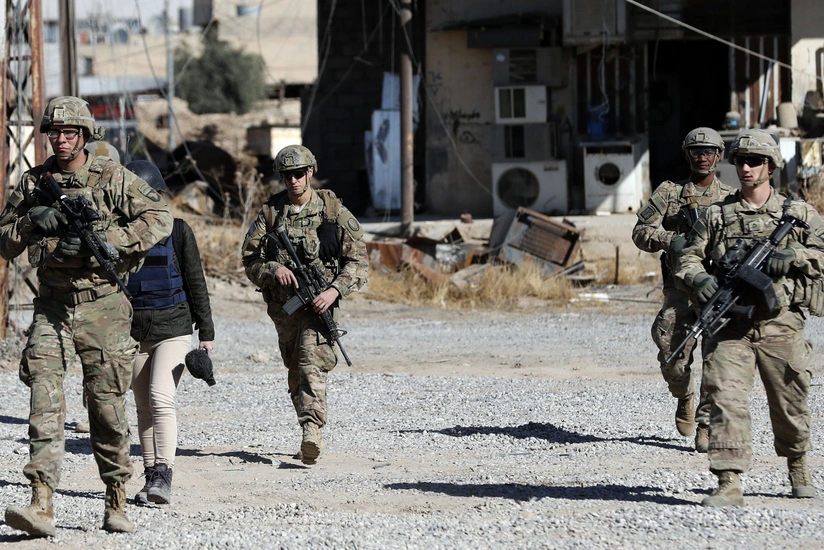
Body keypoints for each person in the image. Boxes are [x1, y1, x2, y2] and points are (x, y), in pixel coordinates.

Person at [0, 96, 173, 536]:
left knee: (106, 407)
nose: (60, 139)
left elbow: (160, 217)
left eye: (70, 133)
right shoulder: (34, 182)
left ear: (85, 136)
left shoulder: (112, 176)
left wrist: (111, 240)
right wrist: (32, 223)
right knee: (44, 399)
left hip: (103, 306)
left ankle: (116, 499)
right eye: (54, 133)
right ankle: (40, 502)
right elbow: (4, 239)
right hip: (53, 306)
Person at [676, 128, 824, 506]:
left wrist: (797, 257)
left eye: (754, 161)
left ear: (770, 167)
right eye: (740, 160)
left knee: (790, 401)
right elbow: (689, 256)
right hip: (731, 326)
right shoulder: (716, 216)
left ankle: (798, 463)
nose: (745, 167)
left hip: (781, 324)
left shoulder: (798, 213)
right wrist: (700, 278)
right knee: (725, 398)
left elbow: (823, 255)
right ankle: (728, 481)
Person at [241, 145, 368, 465]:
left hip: (319, 306)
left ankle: (312, 430)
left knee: (312, 362)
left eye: (299, 173)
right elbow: (249, 260)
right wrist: (273, 269)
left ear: (310, 172)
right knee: (295, 370)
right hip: (285, 310)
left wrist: (335, 291)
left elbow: (359, 264)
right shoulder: (271, 214)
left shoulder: (332, 211)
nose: (294, 180)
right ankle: (306, 424)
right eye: (287, 176)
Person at [632, 128, 735, 451]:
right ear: (687, 155)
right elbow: (640, 232)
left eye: (708, 151)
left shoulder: (731, 196)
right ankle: (684, 396)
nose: (702, 157)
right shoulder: (670, 192)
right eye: (696, 151)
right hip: (680, 287)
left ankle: (706, 422)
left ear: (719, 156)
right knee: (672, 357)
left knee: (718, 360)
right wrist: (669, 240)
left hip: (718, 287)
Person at [124, 160, 215, 506]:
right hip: (133, 333)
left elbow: (196, 283)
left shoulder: (178, 231)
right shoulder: (119, 234)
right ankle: (150, 476)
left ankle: (164, 473)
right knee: (143, 406)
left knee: (161, 398)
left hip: (174, 328)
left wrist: (206, 333)